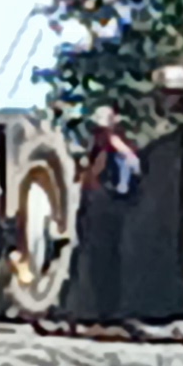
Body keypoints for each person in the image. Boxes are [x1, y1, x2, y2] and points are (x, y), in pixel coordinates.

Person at [79, 109, 146, 319]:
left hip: (109, 210)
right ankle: (106, 308)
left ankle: (109, 308)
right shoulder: (114, 151)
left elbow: (94, 181)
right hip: (110, 210)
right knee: (104, 261)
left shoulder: (114, 151)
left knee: (107, 261)